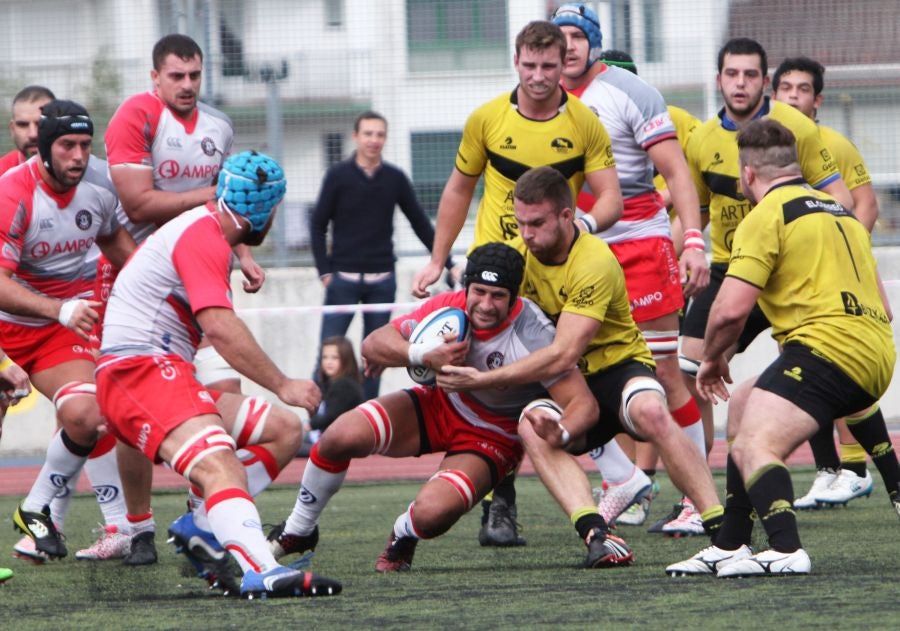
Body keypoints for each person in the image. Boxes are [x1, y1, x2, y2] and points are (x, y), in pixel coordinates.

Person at [267, 242, 618, 570]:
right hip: (438, 406)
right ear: (466, 288)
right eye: (478, 292)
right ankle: (299, 529)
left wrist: (562, 432)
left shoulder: (534, 333)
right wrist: (422, 354)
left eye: (498, 296)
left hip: (491, 437)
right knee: (338, 436)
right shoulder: (449, 307)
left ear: (514, 297)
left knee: (430, 516)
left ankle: (403, 532)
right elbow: (373, 344)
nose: (485, 304)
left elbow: (583, 403)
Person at [439, 166, 725, 566]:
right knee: (532, 427)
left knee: (652, 411)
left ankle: (723, 532)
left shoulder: (593, 260)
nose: (526, 234)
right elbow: (472, 309)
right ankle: (597, 536)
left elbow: (564, 353)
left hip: (617, 368)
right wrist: (422, 349)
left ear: (566, 216)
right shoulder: (517, 257)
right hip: (566, 385)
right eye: (521, 223)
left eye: (537, 223)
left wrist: (482, 379)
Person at [410, 20, 622, 545]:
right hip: (497, 277)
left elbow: (612, 198)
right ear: (516, 62)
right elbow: (458, 190)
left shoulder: (585, 123)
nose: (539, 75)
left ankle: (615, 473)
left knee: (554, 375)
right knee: (484, 376)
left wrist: (581, 228)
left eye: (549, 65)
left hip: (554, 274)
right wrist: (437, 260)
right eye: (530, 65)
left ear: (564, 63)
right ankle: (499, 507)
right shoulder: (487, 119)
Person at [96, 150, 342, 598]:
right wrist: (283, 383)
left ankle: (205, 526)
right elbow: (220, 327)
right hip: (140, 371)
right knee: (220, 462)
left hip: (158, 370)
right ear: (264, 211)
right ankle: (261, 569)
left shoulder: (206, 229)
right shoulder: (203, 235)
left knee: (284, 430)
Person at [667, 119, 898, 578]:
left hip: (828, 352)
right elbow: (886, 308)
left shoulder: (766, 215)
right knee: (743, 404)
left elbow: (730, 311)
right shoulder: (841, 213)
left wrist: (711, 360)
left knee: (756, 442)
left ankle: (786, 548)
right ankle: (730, 543)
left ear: (748, 174)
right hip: (877, 353)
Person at [678, 38, 853, 530]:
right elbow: (694, 214)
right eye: (732, 74)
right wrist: (685, 250)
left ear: (764, 81)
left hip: (787, 272)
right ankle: (698, 497)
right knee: (689, 368)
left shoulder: (796, 129)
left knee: (817, 364)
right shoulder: (701, 140)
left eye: (750, 74)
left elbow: (841, 200)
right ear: (719, 79)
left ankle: (849, 468)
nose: (740, 83)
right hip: (731, 269)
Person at [552, 5, 709, 534]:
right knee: (567, 370)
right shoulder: (538, 100)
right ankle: (622, 477)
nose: (569, 46)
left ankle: (697, 497)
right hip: (575, 250)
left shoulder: (630, 91)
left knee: (663, 373)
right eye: (560, 37)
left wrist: (693, 241)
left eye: (577, 36)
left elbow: (677, 172)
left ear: (593, 42)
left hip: (637, 243)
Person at [102, 33, 249, 565]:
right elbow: (138, 205)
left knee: (224, 390)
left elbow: (229, 212)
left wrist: (245, 256)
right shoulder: (135, 115)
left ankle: (202, 519)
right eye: (176, 76)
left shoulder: (219, 127)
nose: (187, 85)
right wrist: (210, 195)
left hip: (200, 279)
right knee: (128, 416)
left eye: (195, 75)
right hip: (140, 285)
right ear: (155, 77)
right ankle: (137, 527)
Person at [0, 100, 137, 561]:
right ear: (43, 147)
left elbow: (117, 244)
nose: (78, 156)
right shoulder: (13, 192)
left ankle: (40, 510)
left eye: (84, 145)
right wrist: (58, 309)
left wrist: (167, 292)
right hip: (11, 325)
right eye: (66, 146)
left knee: (88, 414)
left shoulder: (98, 186)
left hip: (61, 329)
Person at [772, 56, 889, 509]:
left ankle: (854, 467)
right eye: (786, 88)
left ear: (817, 100)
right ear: (773, 95)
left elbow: (866, 204)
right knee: (797, 360)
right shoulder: (765, 145)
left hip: (832, 277)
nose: (793, 96)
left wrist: (848, 259)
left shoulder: (834, 145)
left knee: (834, 364)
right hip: (786, 276)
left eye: (802, 89)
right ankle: (830, 470)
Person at [310, 111, 453, 400]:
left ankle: (368, 416)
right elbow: (317, 224)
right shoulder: (337, 176)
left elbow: (420, 223)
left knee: (376, 357)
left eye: (380, 134)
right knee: (329, 352)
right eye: (368, 134)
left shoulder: (395, 178)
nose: (374, 140)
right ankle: (320, 415)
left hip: (382, 283)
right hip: (342, 282)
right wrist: (325, 272)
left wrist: (447, 263)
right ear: (356, 136)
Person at [297, 336, 364, 457]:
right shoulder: (329, 383)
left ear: (346, 360)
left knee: (291, 445)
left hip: (340, 441)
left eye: (334, 358)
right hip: (326, 437)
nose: (328, 362)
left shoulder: (345, 386)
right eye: (325, 357)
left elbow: (331, 416)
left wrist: (310, 425)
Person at [1, 86, 56, 174]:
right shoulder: (2, 173)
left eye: (41, 124)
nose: (33, 134)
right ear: (12, 129)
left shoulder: (77, 168)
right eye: (23, 125)